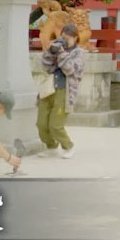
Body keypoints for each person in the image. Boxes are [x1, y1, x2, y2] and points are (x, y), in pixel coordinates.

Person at [38, 23, 85, 159]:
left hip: (64, 91)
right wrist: (50, 51)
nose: (66, 40)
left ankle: (68, 146)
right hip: (48, 89)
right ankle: (51, 147)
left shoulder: (79, 53)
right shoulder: (56, 48)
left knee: (55, 125)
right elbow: (46, 67)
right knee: (41, 123)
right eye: (63, 37)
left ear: (76, 38)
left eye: (69, 37)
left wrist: (62, 53)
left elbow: (71, 70)